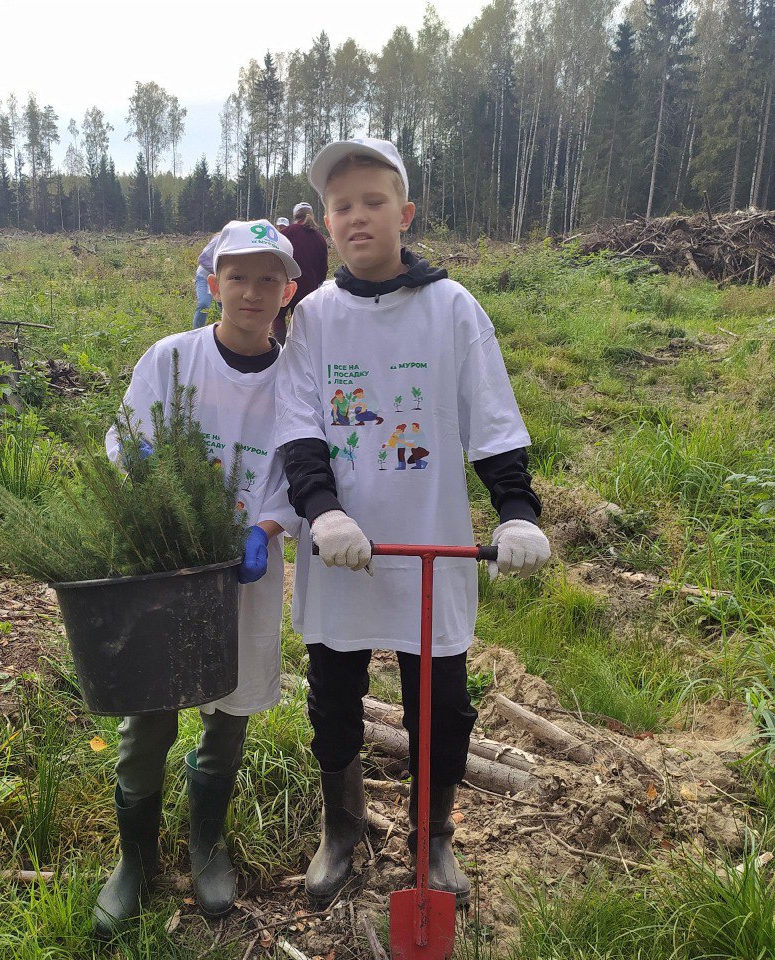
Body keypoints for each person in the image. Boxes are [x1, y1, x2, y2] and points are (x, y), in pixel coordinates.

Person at [274, 138, 551, 907]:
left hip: (432, 541)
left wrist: (518, 512)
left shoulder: (453, 309)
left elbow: (492, 420)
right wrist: (323, 511)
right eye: (341, 206)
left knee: (442, 702)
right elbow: (299, 427)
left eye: (372, 201)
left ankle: (432, 840)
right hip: (342, 551)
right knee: (333, 693)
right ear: (325, 221)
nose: (356, 217)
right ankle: (343, 826)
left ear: (405, 212)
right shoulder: (315, 319)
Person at [98, 219, 302, 935]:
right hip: (164, 563)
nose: (252, 292)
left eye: (268, 279)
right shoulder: (172, 359)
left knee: (230, 708)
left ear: (289, 290)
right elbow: (125, 437)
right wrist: (153, 476)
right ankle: (135, 861)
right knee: (149, 710)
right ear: (213, 284)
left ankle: (207, 847)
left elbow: (305, 469)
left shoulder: (295, 379)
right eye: (237, 277)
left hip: (244, 571)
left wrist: (267, 526)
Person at [275, 201, 330, 345]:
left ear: (294, 216)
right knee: (302, 323)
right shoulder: (319, 238)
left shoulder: (286, 233)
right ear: (311, 215)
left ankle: (281, 348)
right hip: (308, 288)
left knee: (278, 317)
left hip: (285, 285)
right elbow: (323, 270)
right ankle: (299, 350)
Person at [193, 233, 220, 329]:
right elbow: (202, 258)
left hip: (222, 280)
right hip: (204, 277)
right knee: (203, 304)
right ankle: (196, 333)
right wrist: (218, 271)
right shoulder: (218, 239)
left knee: (227, 308)